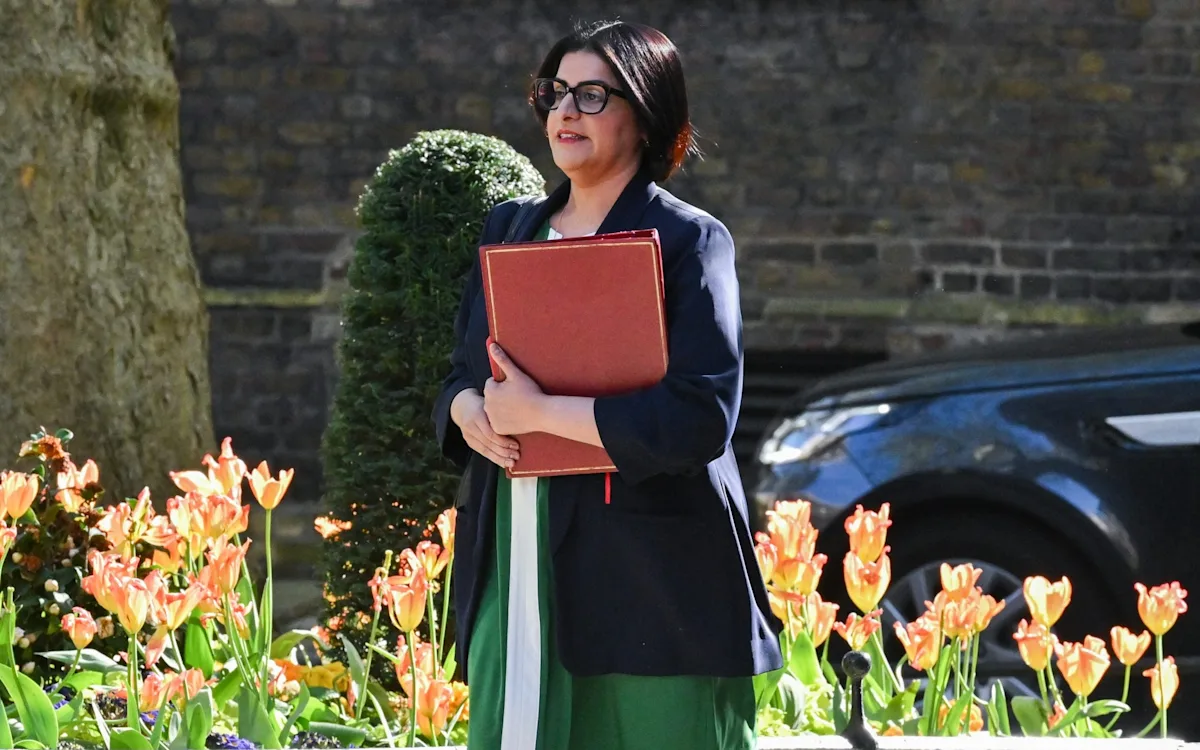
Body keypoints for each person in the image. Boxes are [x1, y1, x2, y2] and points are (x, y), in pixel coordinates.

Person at [432, 20, 782, 750]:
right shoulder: (510, 228)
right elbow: (463, 372)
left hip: (648, 568)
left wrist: (543, 412)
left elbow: (699, 415)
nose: (565, 111)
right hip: (516, 541)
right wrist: (469, 411)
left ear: (647, 113)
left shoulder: (688, 240)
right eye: (554, 92)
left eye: (592, 95)